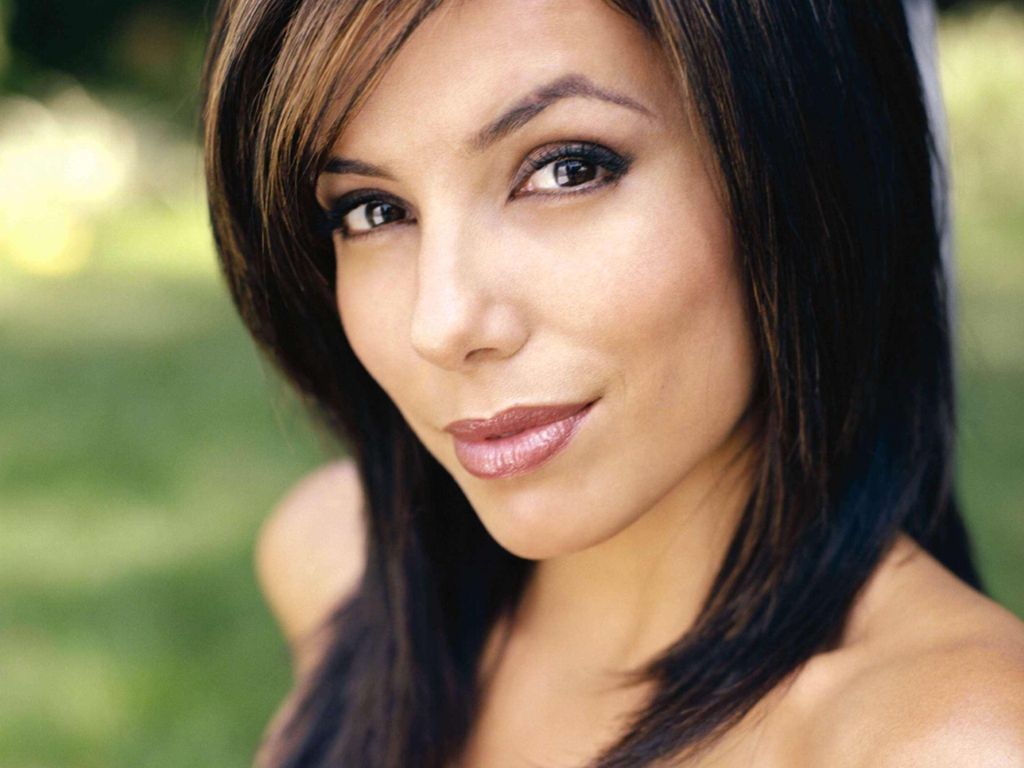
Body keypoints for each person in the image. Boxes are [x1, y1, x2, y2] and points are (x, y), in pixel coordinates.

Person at [201, 1, 1024, 766]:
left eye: (567, 170)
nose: (442, 323)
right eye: (373, 211)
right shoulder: (334, 565)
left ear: (800, 164)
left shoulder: (950, 740)